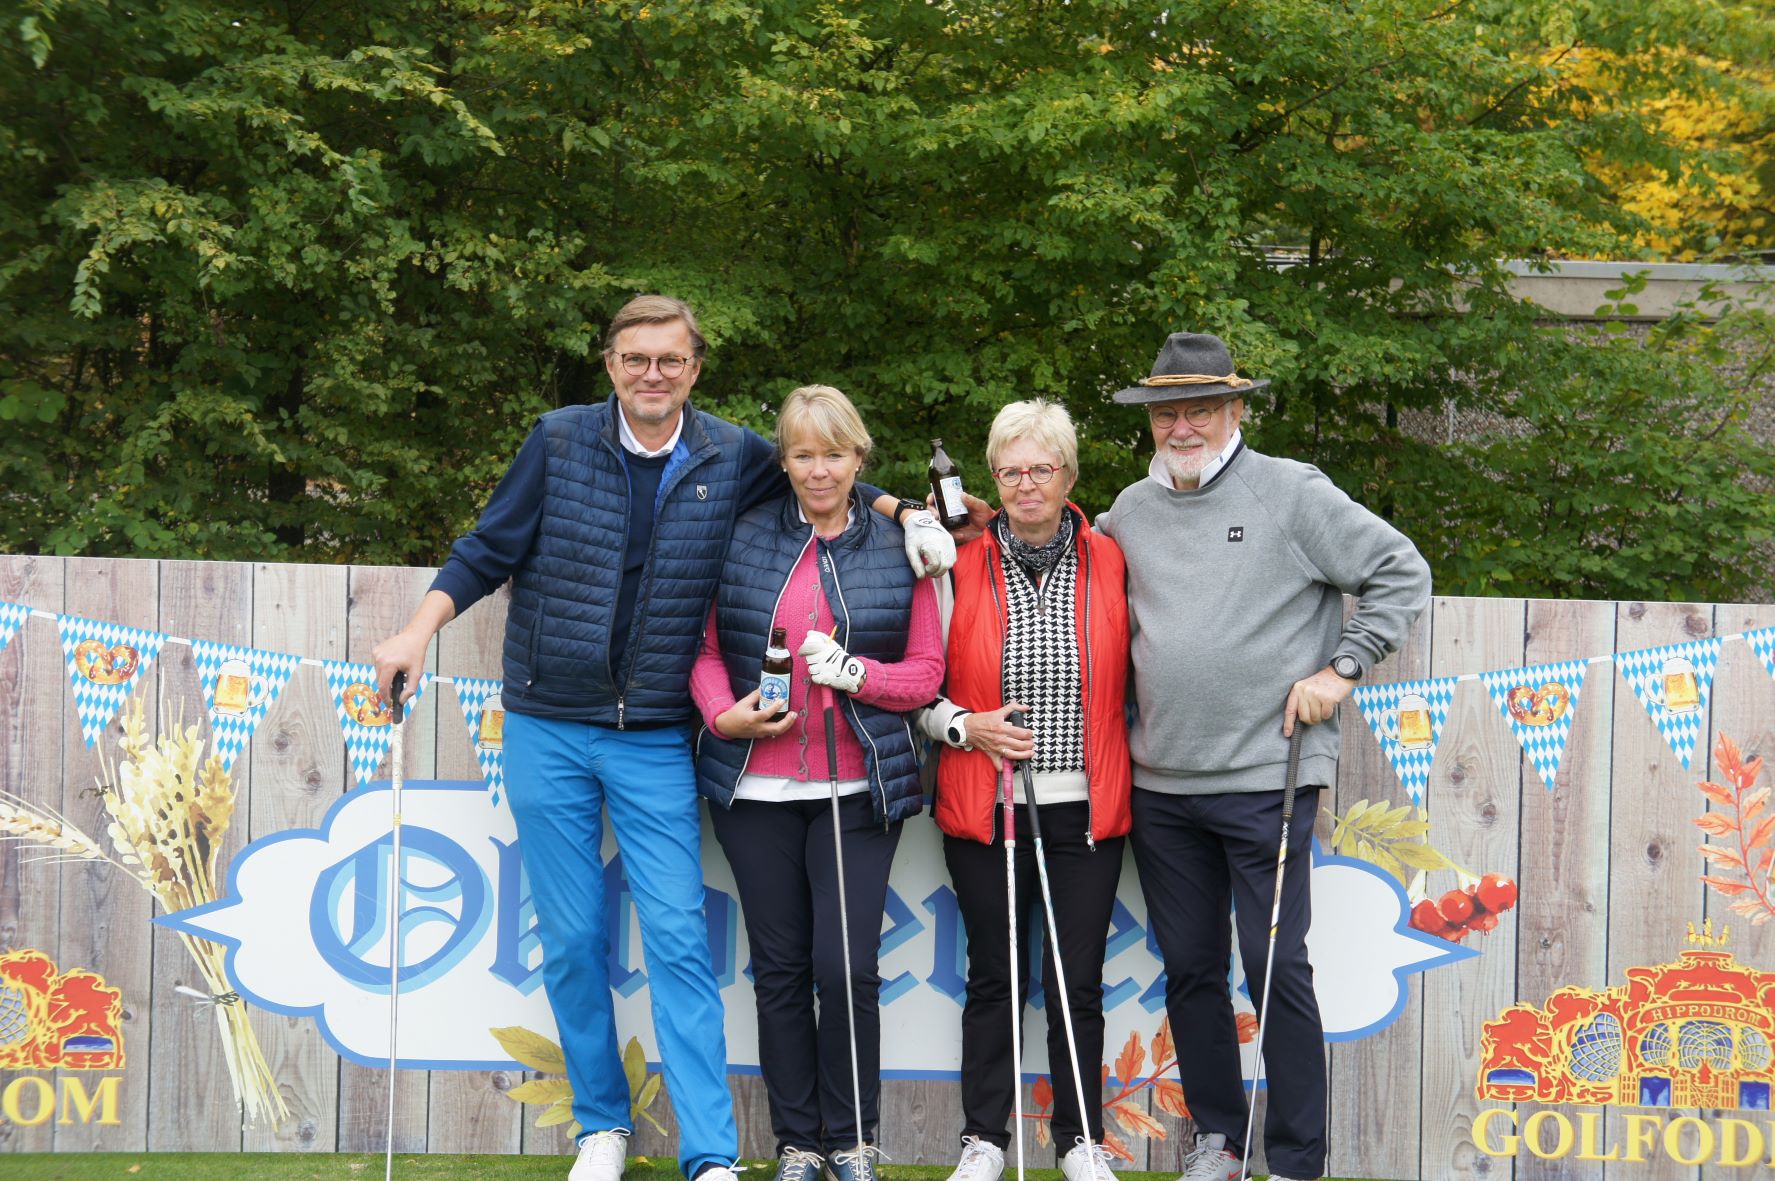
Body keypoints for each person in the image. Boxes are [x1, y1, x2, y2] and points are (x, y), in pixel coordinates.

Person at [370, 297, 957, 1181]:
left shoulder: (731, 453)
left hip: (651, 735)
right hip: (547, 722)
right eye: (636, 358)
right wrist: (418, 631)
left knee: (679, 941)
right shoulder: (558, 441)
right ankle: (601, 1126)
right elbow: (487, 547)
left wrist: (908, 510)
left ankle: (709, 1153)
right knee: (573, 939)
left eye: (670, 360)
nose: (653, 373)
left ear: (694, 368)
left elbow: (823, 471)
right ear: (610, 363)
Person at [1095, 333, 1431, 1181]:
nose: (1181, 426)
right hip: (1160, 783)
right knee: (1190, 970)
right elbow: (1073, 567)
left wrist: (1341, 667)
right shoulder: (1129, 510)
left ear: (1235, 409)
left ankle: (1294, 1160)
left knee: (1274, 965)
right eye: (1166, 412)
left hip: (1266, 779)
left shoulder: (1288, 491)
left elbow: (1399, 569)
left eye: (1199, 409)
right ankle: (1219, 1140)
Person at [690, 384, 944, 1181]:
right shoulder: (742, 535)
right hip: (755, 792)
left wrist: (858, 673)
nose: (818, 470)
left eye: (833, 454)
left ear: (858, 457)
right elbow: (703, 650)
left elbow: (926, 672)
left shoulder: (900, 544)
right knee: (779, 972)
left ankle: (853, 1139)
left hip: (856, 788)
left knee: (845, 968)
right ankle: (798, 1142)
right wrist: (723, 715)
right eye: (802, 454)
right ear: (784, 461)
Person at [916, 400, 1130, 1181]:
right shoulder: (954, 561)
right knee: (993, 977)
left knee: (1075, 980)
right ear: (992, 478)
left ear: (1068, 473)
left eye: (1042, 468)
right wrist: (961, 725)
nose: (1026, 484)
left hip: (1087, 807)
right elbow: (916, 681)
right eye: (1010, 471)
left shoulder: (1113, 557)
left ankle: (1078, 1140)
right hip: (985, 803)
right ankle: (984, 1139)